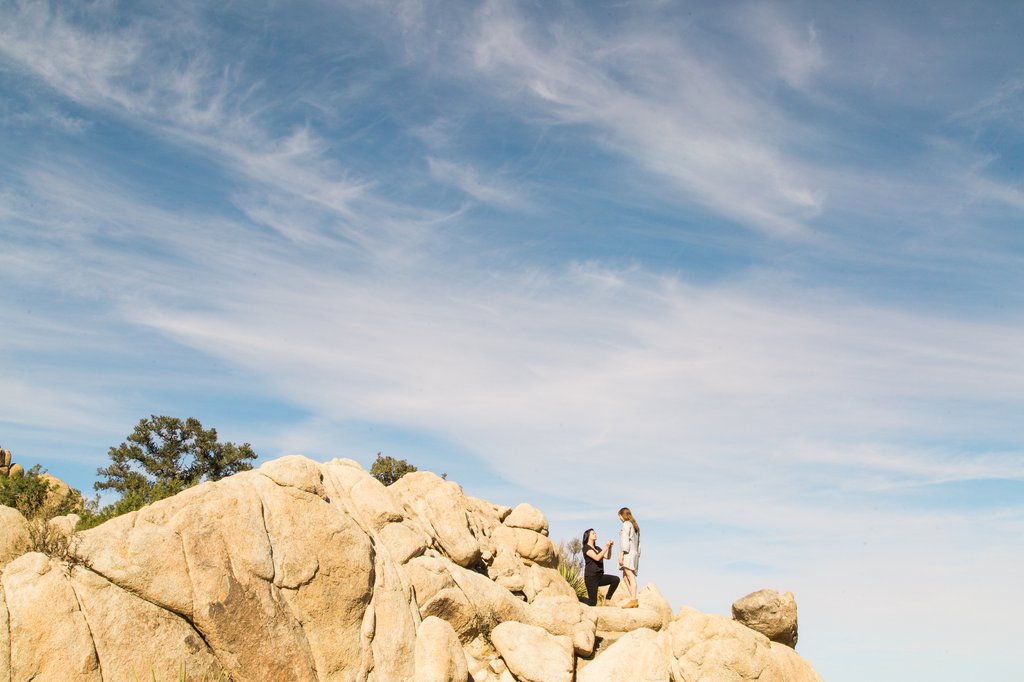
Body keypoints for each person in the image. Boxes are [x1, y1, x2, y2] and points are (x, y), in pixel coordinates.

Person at [581, 528, 619, 607]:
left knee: (615, 579)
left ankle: (608, 599)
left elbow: (607, 557)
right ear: (588, 536)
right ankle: (576, 598)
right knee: (592, 602)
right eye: (593, 533)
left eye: (595, 533)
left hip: (599, 576)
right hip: (591, 578)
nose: (595, 534)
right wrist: (606, 547)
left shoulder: (597, 548)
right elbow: (597, 557)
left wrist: (610, 548)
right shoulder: (586, 548)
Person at [618, 507, 640, 608]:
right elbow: (639, 544)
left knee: (630, 575)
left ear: (622, 515)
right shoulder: (635, 526)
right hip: (634, 552)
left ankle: (633, 599)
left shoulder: (626, 524)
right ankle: (633, 598)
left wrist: (622, 554)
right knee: (625, 576)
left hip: (628, 552)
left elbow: (624, 540)